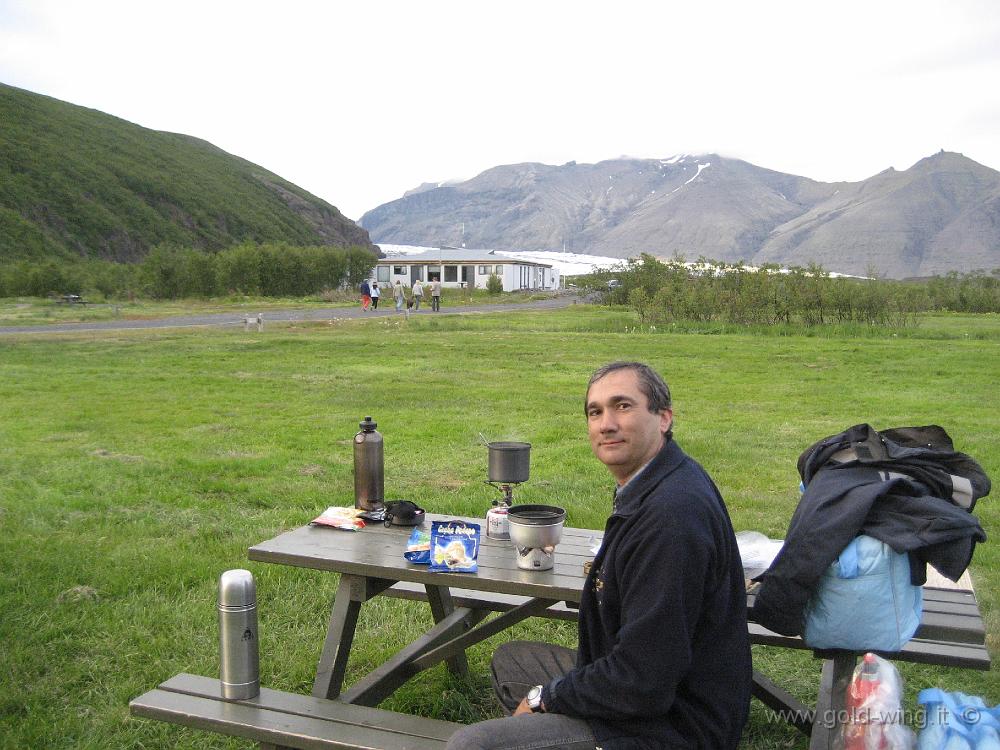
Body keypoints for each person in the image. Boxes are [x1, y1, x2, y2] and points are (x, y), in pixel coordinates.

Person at [446, 361, 751, 750]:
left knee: (473, 745)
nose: (606, 424)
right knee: (512, 663)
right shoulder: (657, 480)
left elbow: (643, 680)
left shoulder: (672, 517)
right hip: (649, 685)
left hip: (675, 726)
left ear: (664, 418)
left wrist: (547, 698)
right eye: (595, 411)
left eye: (623, 406)